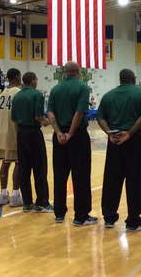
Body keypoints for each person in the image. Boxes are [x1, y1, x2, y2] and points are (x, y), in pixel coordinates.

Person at [97, 69, 141, 231]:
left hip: (114, 140)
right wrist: (129, 133)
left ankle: (109, 217)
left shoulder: (108, 95)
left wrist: (109, 133)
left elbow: (100, 117)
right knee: (135, 180)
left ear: (120, 80)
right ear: (133, 79)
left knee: (111, 178)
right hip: (134, 141)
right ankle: (134, 221)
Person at [47, 61, 96, 226]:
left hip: (59, 135)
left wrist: (59, 132)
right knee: (80, 175)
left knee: (60, 175)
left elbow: (50, 112)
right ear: (78, 72)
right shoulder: (82, 88)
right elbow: (79, 112)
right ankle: (81, 216)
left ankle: (59, 213)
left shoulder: (55, 89)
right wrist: (70, 133)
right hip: (77, 135)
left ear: (64, 73)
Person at [11, 72, 52, 212]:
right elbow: (39, 117)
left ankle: (27, 203)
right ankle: (42, 202)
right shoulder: (37, 94)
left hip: (20, 132)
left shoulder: (17, 96)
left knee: (24, 168)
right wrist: (49, 123)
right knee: (40, 168)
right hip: (34, 133)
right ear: (33, 81)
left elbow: (14, 119)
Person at [0, 68, 23, 207]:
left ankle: (3, 194)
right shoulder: (18, 93)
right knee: (18, 162)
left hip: (2, 130)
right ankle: (15, 195)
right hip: (13, 130)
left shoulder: (3, 93)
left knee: (5, 162)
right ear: (17, 77)